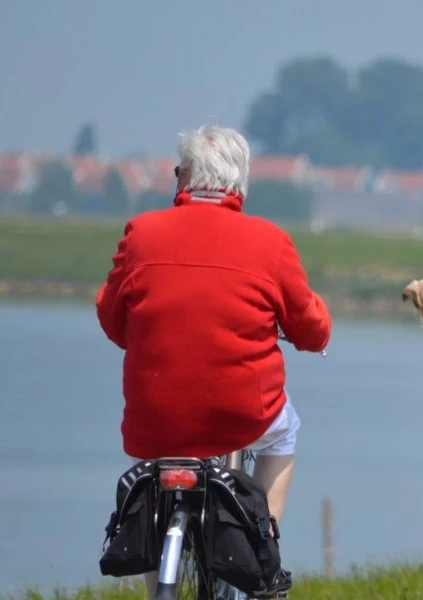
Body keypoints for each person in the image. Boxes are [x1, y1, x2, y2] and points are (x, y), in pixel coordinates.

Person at [95, 124, 330, 598]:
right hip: (241, 413)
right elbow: (311, 328)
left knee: (159, 468)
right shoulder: (270, 241)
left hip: (155, 413)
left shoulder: (141, 233)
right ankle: (262, 543)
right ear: (239, 182)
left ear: (182, 179)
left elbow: (111, 317)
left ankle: (155, 582)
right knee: (285, 430)